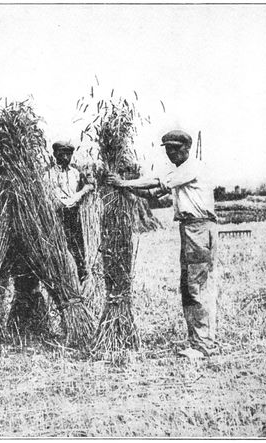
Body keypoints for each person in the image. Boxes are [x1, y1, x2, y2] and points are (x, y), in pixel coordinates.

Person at [106, 129, 218, 359]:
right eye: (167, 150)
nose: (170, 154)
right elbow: (155, 194)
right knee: (191, 286)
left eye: (174, 150)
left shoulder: (191, 167)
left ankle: (203, 346)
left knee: (195, 287)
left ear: (186, 148)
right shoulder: (180, 171)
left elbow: (157, 181)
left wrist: (123, 181)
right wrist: (125, 189)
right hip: (191, 229)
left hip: (198, 228)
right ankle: (200, 341)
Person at [46, 140, 95, 283]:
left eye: (69, 154)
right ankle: (65, 280)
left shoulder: (75, 173)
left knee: (78, 249)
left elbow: (89, 187)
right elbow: (55, 199)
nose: (66, 158)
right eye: (62, 154)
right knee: (62, 250)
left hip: (74, 215)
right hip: (58, 216)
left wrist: (85, 189)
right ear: (55, 154)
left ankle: (82, 280)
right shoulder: (49, 175)